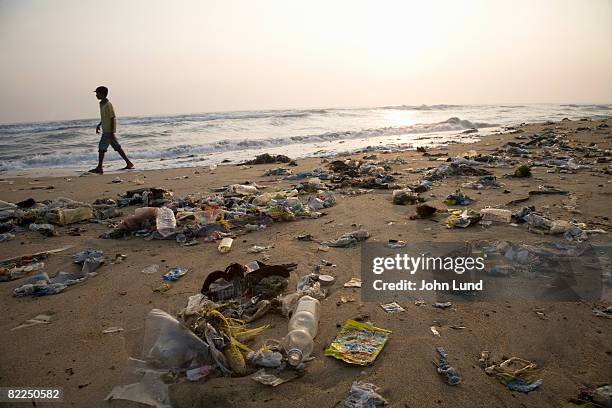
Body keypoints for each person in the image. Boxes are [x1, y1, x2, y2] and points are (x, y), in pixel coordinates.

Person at [89, 86, 134, 174]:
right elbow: (104, 117)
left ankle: (99, 168)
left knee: (101, 148)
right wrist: (99, 124)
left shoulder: (108, 105)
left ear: (102, 94)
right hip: (106, 130)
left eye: (97, 93)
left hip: (108, 131)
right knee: (117, 147)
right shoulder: (102, 103)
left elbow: (112, 118)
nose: (96, 95)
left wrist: (112, 132)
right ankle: (129, 163)